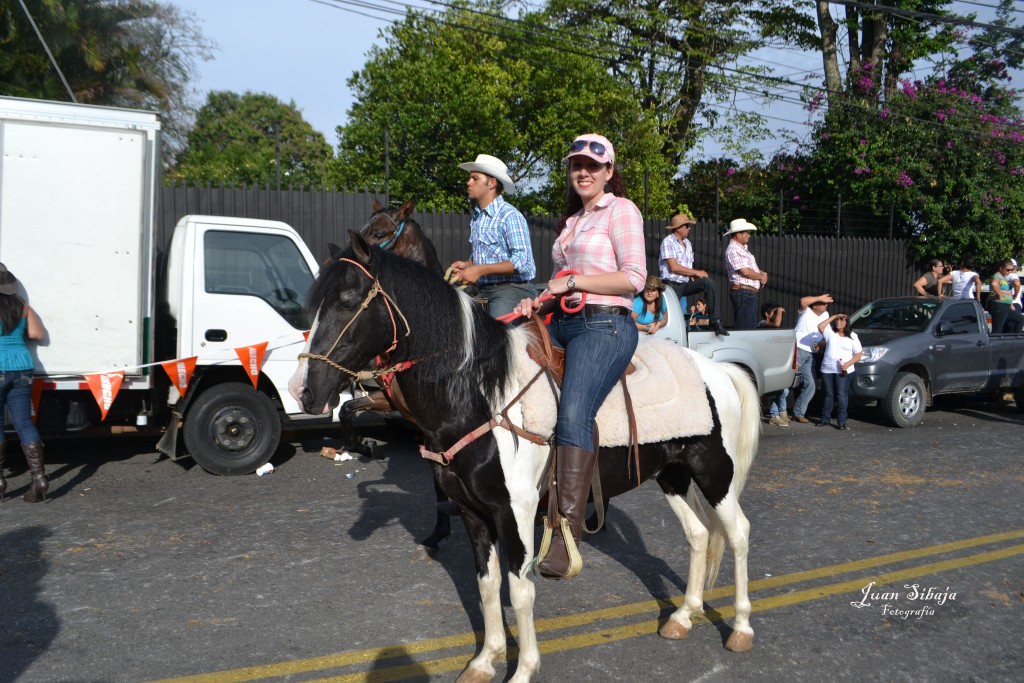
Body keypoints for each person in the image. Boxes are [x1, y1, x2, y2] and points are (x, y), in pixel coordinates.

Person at [515, 133, 646, 580]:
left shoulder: (622, 211)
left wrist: (571, 284)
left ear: (609, 171)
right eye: (576, 165)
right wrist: (538, 303)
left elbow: (634, 279)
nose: (583, 172)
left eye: (593, 165)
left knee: (572, 413)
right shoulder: (570, 222)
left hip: (606, 324)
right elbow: (557, 284)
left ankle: (565, 535)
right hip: (562, 320)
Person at [449, 154, 537, 318]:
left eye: (475, 178)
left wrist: (479, 270)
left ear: (492, 183)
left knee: (494, 334)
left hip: (513, 288)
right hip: (485, 290)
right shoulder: (478, 217)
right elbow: (490, 255)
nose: (468, 182)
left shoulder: (509, 215)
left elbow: (523, 261)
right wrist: (468, 265)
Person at [0, 263, 47, 502]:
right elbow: (38, 335)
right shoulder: (22, 306)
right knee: (24, 424)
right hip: (23, 368)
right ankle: (39, 479)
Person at [658, 213, 728, 336]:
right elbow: (674, 267)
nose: (689, 228)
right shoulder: (668, 241)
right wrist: (696, 272)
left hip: (684, 284)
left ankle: (715, 321)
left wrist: (692, 275)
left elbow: (686, 266)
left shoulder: (688, 243)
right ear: (679, 228)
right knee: (671, 317)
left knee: (708, 283)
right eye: (687, 226)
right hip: (671, 286)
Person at [791, 293, 834, 424]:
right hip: (798, 349)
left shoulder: (826, 315)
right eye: (823, 303)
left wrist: (821, 344)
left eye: (827, 303)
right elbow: (802, 300)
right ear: (814, 305)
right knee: (789, 381)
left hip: (811, 353)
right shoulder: (806, 311)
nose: (826, 305)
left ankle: (798, 412)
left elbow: (826, 334)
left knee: (811, 384)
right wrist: (819, 298)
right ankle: (777, 411)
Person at [816, 313, 863, 430]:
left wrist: (848, 364)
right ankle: (825, 418)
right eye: (837, 320)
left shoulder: (852, 336)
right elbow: (820, 326)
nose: (838, 322)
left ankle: (841, 421)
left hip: (844, 369)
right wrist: (833, 316)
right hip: (827, 368)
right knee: (828, 394)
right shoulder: (830, 333)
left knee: (841, 394)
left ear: (847, 322)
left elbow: (859, 354)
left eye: (841, 320)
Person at [723, 219, 767, 330]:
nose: (749, 235)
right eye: (746, 232)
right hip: (743, 292)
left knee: (749, 327)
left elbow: (751, 269)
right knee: (745, 328)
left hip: (747, 293)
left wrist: (763, 273)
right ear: (738, 234)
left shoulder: (742, 249)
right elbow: (746, 272)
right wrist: (761, 276)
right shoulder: (733, 250)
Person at [758, 303, 789, 426]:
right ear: (767, 314)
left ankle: (782, 412)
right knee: (774, 389)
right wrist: (780, 311)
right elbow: (776, 324)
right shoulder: (762, 323)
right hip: (765, 361)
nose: (777, 315)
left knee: (784, 389)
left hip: (775, 360)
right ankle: (774, 415)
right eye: (774, 312)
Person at [988, 259, 1024, 334]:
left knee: (1020, 319)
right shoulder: (997, 275)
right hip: (999, 305)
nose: (1010, 272)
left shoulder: (1003, 277)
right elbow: (994, 284)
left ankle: (1016, 340)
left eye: (1011, 270)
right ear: (1001, 268)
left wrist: (1010, 303)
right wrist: (1000, 295)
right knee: (997, 330)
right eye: (1008, 270)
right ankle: (995, 344)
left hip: (1005, 306)